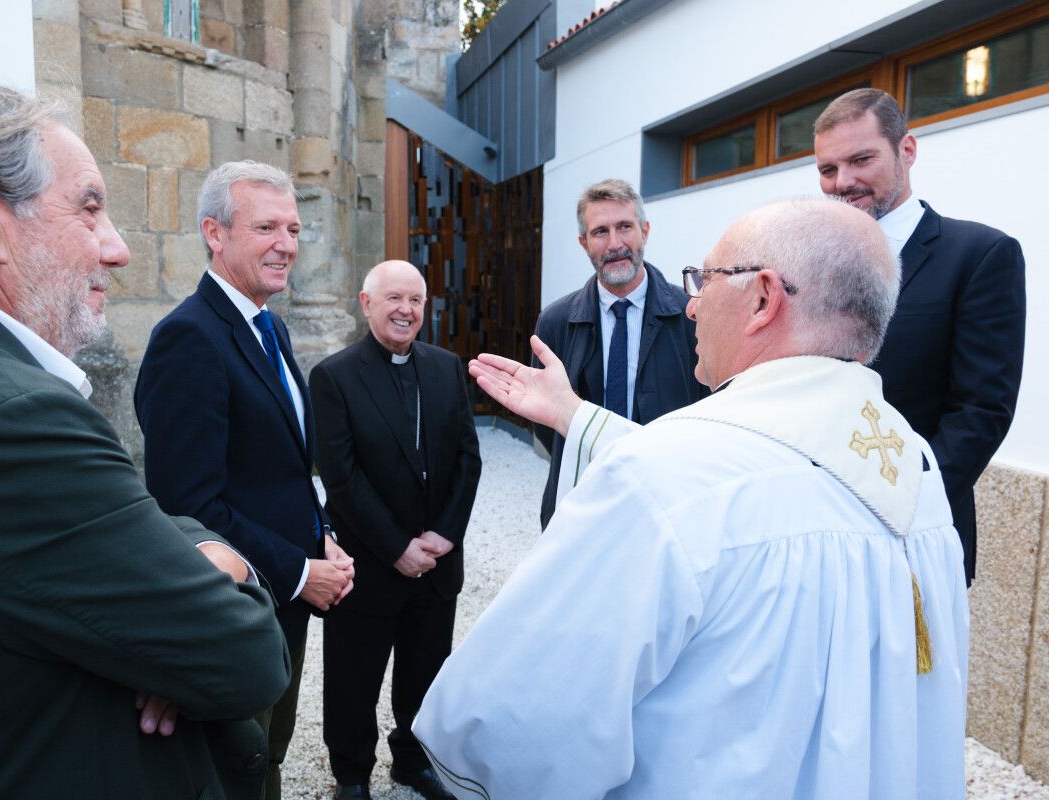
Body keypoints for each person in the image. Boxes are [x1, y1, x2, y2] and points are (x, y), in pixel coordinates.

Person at [413, 198, 969, 799]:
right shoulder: (914, 466)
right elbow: (744, 480)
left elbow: (502, 730)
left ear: (762, 299)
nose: (694, 303)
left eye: (705, 278)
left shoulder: (664, 479)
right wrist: (574, 415)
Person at [0, 80, 289, 800]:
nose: (117, 249)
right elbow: (244, 658)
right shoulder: (8, 420)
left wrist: (178, 575)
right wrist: (228, 564)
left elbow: (128, 534)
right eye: (89, 208)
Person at [134, 160, 355, 800]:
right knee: (235, 768)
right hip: (237, 610)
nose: (286, 244)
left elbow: (282, 466)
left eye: (292, 228)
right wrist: (297, 571)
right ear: (215, 232)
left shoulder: (269, 324)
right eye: (266, 227)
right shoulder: (188, 338)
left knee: (268, 760)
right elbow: (188, 506)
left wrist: (324, 538)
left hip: (282, 603)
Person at [813, 88, 1025, 585]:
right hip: (818, 534)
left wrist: (901, 504)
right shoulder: (815, 258)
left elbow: (981, 410)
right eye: (827, 169)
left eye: (861, 160)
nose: (843, 182)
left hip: (918, 535)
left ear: (906, 150)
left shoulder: (981, 254)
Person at [310, 260, 481, 800]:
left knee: (426, 673)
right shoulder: (334, 376)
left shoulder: (446, 366)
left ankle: (412, 761)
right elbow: (340, 476)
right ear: (366, 303)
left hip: (436, 562)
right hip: (369, 561)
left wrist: (445, 535)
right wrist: (396, 547)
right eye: (393, 299)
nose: (406, 310)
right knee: (353, 679)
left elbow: (467, 458)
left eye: (415, 300)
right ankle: (353, 775)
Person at [532, 178, 704, 528]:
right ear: (583, 243)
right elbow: (546, 421)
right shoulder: (555, 322)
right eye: (600, 232)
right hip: (584, 498)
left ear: (645, 231)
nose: (615, 244)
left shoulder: (693, 314)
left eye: (625, 227)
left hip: (670, 504)